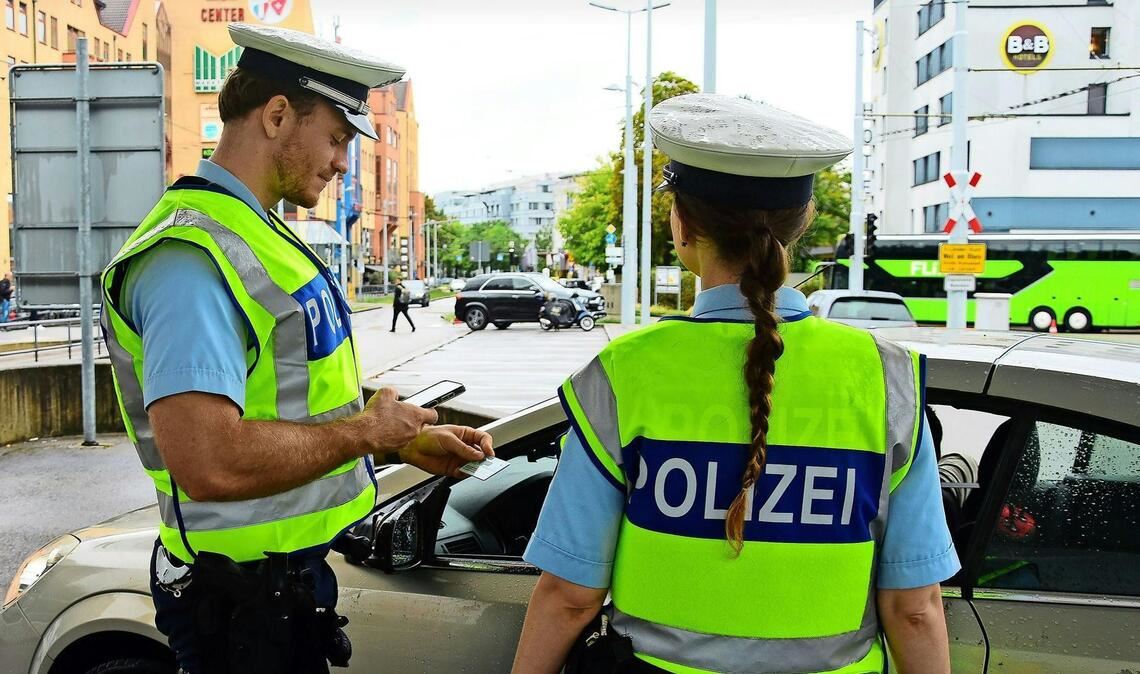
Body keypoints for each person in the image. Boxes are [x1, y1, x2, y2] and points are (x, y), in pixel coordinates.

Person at [512, 94, 958, 674]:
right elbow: (915, 608)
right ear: (803, 221)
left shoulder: (624, 375)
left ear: (682, 224)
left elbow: (571, 596)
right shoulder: (886, 377)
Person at [99, 24, 493, 674]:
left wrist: (395, 440)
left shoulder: (256, 233)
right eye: (337, 138)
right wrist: (366, 433)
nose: (343, 161)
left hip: (278, 593)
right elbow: (209, 462)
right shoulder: (189, 260)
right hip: (237, 605)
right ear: (278, 115)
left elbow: (288, 400)